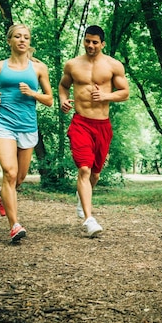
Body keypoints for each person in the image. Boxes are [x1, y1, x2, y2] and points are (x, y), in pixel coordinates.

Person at [0, 24, 53, 242]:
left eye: (26, 37)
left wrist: (33, 93)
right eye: (18, 37)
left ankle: (4, 195)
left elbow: (49, 100)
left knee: (19, 177)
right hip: (4, 125)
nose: (22, 40)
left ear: (29, 42)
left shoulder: (39, 69)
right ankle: (14, 226)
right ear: (9, 41)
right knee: (10, 173)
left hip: (28, 127)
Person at [59, 25, 130, 237]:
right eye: (87, 41)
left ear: (103, 44)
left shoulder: (113, 65)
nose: (91, 45)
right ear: (84, 41)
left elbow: (125, 93)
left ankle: (83, 197)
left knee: (95, 174)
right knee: (84, 169)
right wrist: (63, 100)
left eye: (95, 42)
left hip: (102, 125)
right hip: (80, 122)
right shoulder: (72, 65)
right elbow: (63, 86)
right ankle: (89, 220)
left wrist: (106, 96)